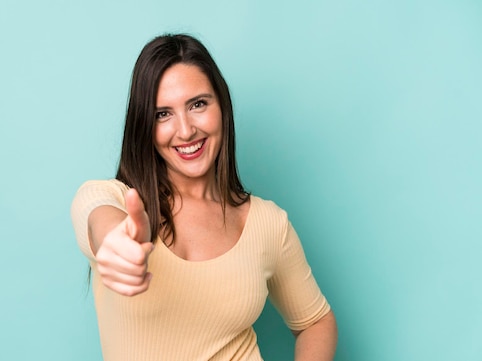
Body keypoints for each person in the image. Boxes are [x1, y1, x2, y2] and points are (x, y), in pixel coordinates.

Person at [71, 34, 337, 361]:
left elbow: (316, 322)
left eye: (198, 104)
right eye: (162, 114)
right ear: (144, 126)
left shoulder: (267, 223)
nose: (185, 131)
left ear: (221, 106)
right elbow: (96, 215)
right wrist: (114, 243)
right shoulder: (113, 200)